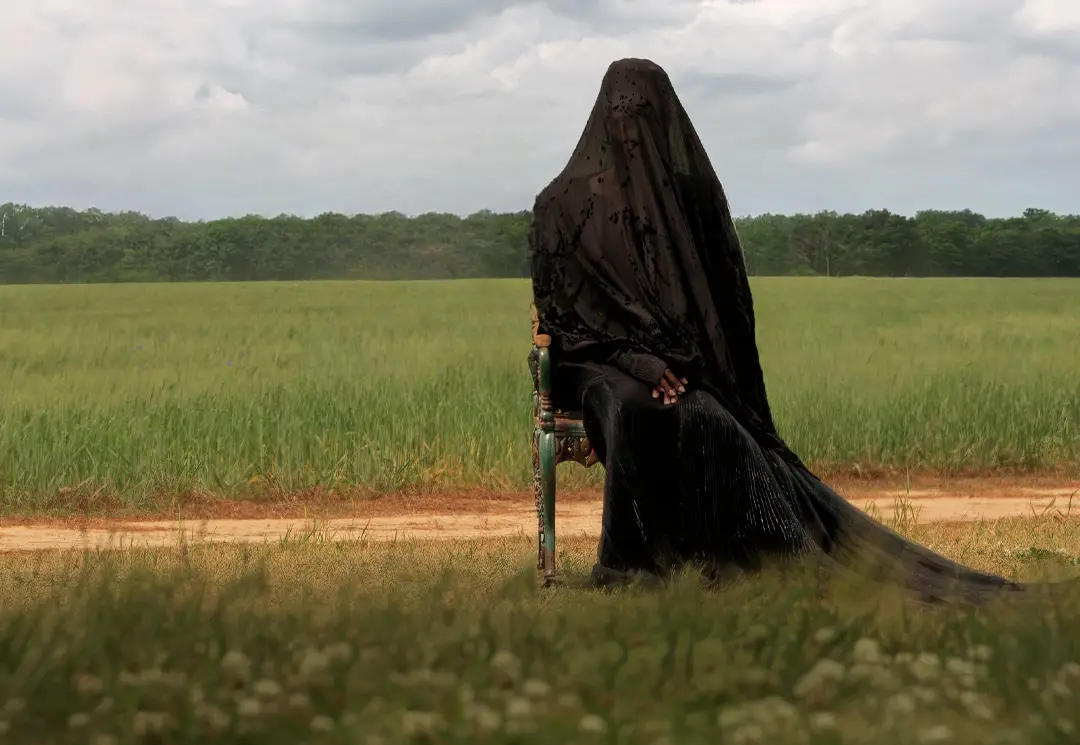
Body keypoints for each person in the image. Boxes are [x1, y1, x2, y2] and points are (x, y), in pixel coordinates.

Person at [528, 58, 1034, 604]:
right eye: (624, 113)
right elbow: (563, 321)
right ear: (604, 116)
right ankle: (630, 566)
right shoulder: (561, 206)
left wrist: (675, 363)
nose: (633, 126)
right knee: (635, 406)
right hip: (596, 360)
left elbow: (718, 305)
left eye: (645, 113)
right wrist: (637, 361)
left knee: (703, 416)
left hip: (679, 365)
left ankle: (749, 555)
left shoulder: (685, 199)